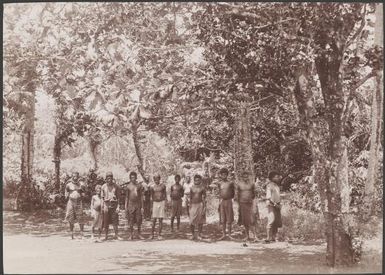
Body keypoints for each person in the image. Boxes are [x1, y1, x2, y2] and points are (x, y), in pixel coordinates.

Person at [236, 171, 258, 242]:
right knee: (245, 221)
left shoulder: (252, 184)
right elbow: (238, 195)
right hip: (242, 203)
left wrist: (254, 203)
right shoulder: (239, 185)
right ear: (242, 177)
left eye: (247, 176)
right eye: (244, 177)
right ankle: (247, 236)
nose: (245, 178)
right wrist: (239, 205)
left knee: (252, 220)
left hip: (250, 203)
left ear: (249, 177)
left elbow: (254, 194)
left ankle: (255, 236)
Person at [64, 172, 86, 239]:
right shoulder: (68, 184)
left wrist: (82, 190)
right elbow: (66, 191)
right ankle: (71, 235)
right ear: (72, 177)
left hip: (79, 202)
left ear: (78, 176)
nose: (75, 177)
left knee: (80, 217)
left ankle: (82, 234)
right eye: (74, 176)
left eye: (76, 176)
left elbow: (84, 192)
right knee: (71, 218)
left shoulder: (81, 184)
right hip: (71, 201)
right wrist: (66, 195)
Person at [125, 172, 145, 240]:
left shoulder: (139, 186)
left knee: (139, 220)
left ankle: (139, 234)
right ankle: (131, 235)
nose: (133, 179)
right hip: (130, 205)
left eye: (134, 177)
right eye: (131, 177)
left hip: (138, 204)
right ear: (130, 178)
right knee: (131, 220)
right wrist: (126, 207)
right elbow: (127, 197)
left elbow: (141, 197)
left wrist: (142, 207)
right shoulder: (128, 186)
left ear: (136, 178)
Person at [101, 172, 121, 241]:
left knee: (115, 222)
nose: (109, 179)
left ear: (112, 178)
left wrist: (118, 207)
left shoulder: (116, 186)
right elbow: (102, 197)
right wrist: (102, 207)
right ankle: (106, 236)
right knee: (106, 222)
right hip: (106, 206)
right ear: (106, 179)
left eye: (110, 178)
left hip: (114, 206)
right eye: (108, 178)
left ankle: (116, 235)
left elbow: (118, 198)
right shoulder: (103, 186)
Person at [217, 168, 235, 240]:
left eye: (225, 174)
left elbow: (233, 193)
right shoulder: (219, 183)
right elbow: (219, 193)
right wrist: (219, 203)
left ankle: (230, 234)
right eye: (222, 174)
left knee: (229, 218)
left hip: (228, 201)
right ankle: (224, 234)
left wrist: (230, 198)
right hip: (222, 201)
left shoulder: (230, 183)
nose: (224, 176)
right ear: (220, 175)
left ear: (227, 175)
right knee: (222, 219)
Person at [265, 171, 282, 243]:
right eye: (276, 177)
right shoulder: (269, 186)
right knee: (271, 220)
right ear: (272, 178)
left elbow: (277, 196)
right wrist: (275, 204)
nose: (278, 178)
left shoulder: (277, 186)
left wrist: (279, 204)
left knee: (277, 221)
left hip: (277, 205)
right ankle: (268, 237)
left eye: (278, 177)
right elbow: (268, 198)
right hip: (271, 205)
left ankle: (274, 237)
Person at [189, 174, 207, 240]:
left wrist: (204, 207)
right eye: (195, 180)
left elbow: (205, 198)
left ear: (200, 180)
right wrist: (190, 206)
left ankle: (199, 234)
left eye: (198, 180)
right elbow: (190, 198)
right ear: (194, 180)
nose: (197, 181)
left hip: (200, 204)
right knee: (191, 220)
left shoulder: (202, 188)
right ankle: (193, 234)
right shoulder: (191, 188)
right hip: (193, 205)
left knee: (200, 220)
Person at [149, 174, 167, 240]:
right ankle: (152, 234)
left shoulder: (163, 186)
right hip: (155, 203)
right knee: (154, 219)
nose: (156, 180)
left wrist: (165, 204)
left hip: (161, 202)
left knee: (160, 219)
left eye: (157, 179)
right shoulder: (152, 187)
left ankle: (159, 234)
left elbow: (165, 195)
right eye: (155, 179)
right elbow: (151, 196)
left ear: (159, 179)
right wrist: (151, 206)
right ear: (154, 180)